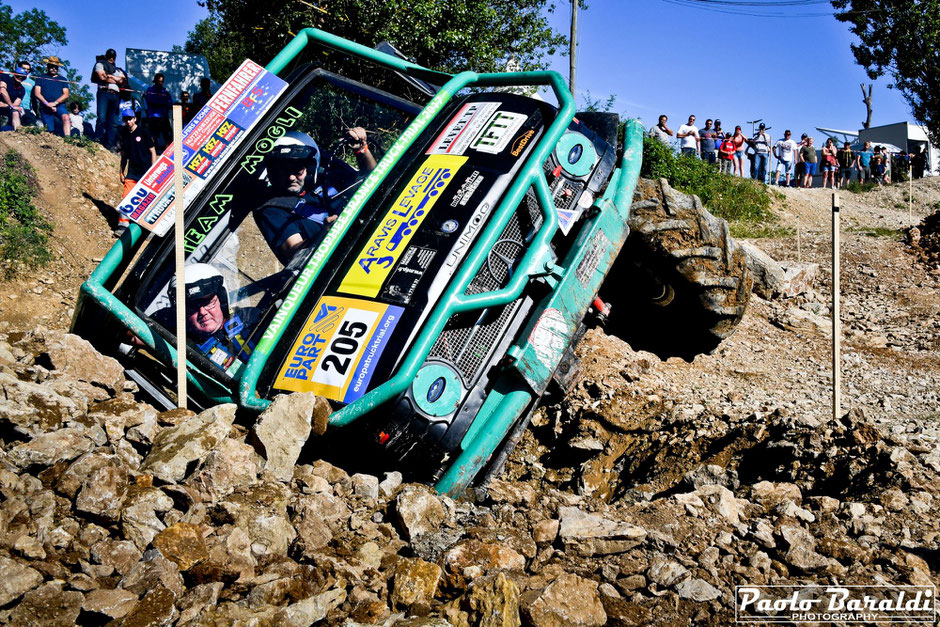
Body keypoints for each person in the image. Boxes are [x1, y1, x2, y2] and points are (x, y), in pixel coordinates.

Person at [254, 128, 376, 265]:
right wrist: (326, 234)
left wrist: (362, 150)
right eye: (283, 171)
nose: (291, 177)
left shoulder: (329, 177)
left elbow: (374, 181)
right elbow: (294, 250)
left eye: (297, 170)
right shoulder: (272, 209)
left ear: (310, 168)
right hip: (341, 264)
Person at [153, 264, 258, 370]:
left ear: (222, 301)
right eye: (193, 306)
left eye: (208, 302)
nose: (202, 312)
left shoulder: (251, 319)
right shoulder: (182, 347)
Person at [118, 101, 157, 234]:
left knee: (146, 200)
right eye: (125, 119)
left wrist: (153, 170)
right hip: (132, 172)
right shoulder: (124, 134)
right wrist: (121, 172)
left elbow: (153, 152)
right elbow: (124, 156)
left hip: (146, 172)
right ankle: (123, 226)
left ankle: (147, 228)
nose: (128, 121)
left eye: (130, 119)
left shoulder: (144, 132)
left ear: (134, 119)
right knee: (126, 197)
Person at [33, 56, 71, 136]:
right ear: (47, 66)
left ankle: (68, 139)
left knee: (66, 118)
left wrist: (55, 103)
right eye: (51, 66)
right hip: (45, 106)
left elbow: (66, 94)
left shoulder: (62, 79)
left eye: (56, 67)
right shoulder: (40, 78)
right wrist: (47, 104)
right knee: (50, 130)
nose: (54, 68)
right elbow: (37, 93)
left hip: (59, 105)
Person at [93, 49, 123, 149]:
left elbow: (122, 80)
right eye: (110, 56)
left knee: (114, 122)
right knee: (102, 118)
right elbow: (102, 77)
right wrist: (115, 78)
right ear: (106, 56)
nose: (111, 58)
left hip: (115, 95)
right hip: (104, 93)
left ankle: (110, 145)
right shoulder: (100, 64)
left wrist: (109, 76)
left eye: (113, 56)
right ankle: (98, 139)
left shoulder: (117, 69)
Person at [143, 73, 172, 151]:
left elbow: (169, 104)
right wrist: (162, 101)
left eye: (162, 81)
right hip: (153, 116)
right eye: (158, 81)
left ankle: (168, 151)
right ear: (155, 81)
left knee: (168, 135)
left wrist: (160, 101)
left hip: (164, 116)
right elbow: (150, 100)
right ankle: (152, 152)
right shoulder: (150, 90)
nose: (160, 83)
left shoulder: (165, 92)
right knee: (153, 135)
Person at [0, 64, 28, 130]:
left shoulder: (22, 89)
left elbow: (16, 105)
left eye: (23, 77)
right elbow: (3, 91)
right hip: (7, 106)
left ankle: (18, 131)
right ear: (14, 74)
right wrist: (11, 105)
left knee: (15, 112)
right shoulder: (6, 78)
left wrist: (9, 106)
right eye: (18, 76)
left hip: (6, 108)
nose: (20, 78)